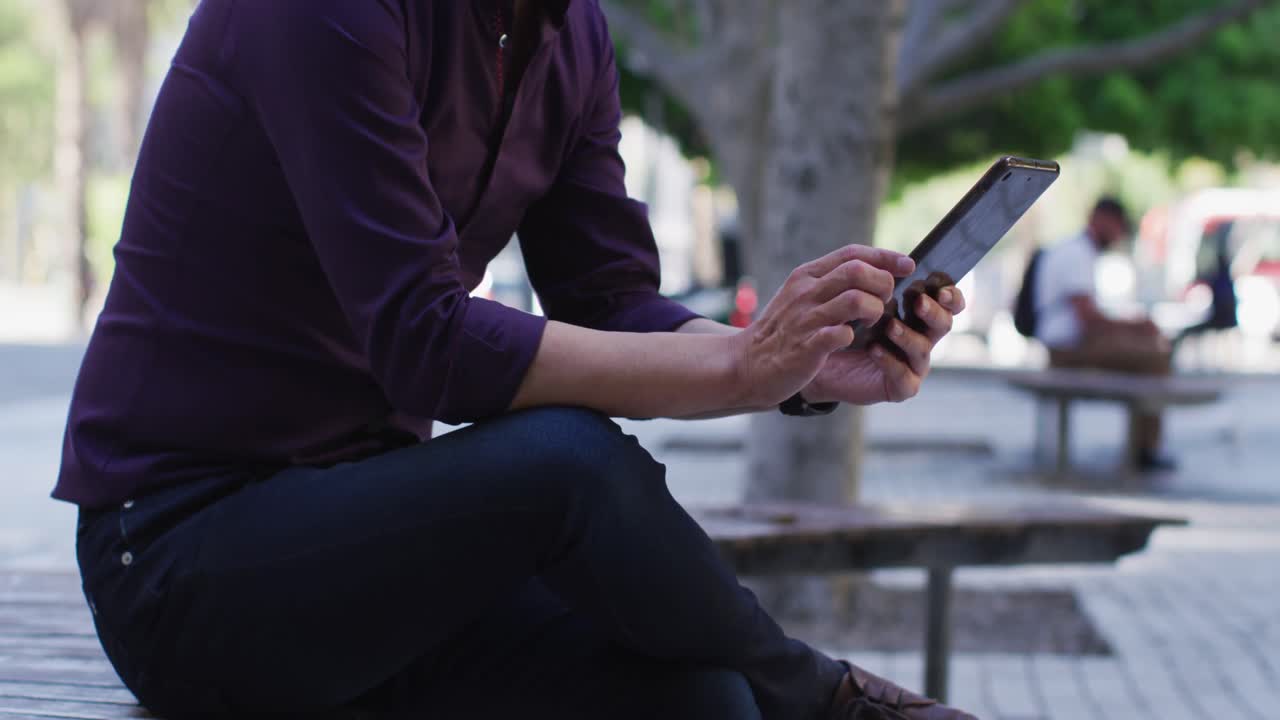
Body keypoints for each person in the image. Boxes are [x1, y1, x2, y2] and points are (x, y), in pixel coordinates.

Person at [55, 2, 975, 718]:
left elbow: (609, 301)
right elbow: (429, 344)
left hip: (371, 547)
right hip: (179, 554)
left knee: (700, 699)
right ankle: (826, 699)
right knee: (563, 464)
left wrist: (795, 365)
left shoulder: (571, 33)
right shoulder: (328, 10)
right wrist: (743, 367)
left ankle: (801, 696)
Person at [1034, 197, 1175, 471]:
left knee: (1149, 351)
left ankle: (1145, 445)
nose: (1119, 234)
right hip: (1067, 348)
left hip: (1071, 343)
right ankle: (1146, 449)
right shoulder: (1076, 253)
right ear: (1102, 220)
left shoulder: (1076, 249)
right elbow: (1087, 318)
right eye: (1118, 227)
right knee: (1153, 358)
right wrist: (1136, 326)